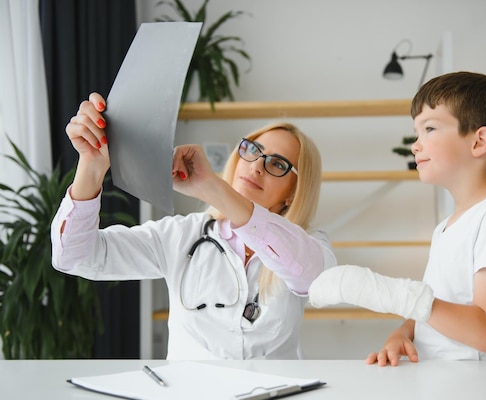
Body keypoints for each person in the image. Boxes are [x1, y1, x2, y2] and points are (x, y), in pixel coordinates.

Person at [51, 92, 337, 360]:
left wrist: (213, 189)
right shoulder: (180, 236)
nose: (257, 166)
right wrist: (91, 165)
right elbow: (76, 257)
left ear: (293, 191)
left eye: (277, 164)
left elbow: (311, 277)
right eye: (253, 150)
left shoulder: (307, 243)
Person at [309, 71, 486, 365]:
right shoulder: (447, 226)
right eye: (417, 133)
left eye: (429, 129)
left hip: (482, 391)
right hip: (442, 383)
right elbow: (437, 307)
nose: (416, 145)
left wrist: (390, 294)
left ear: (479, 141)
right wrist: (404, 332)